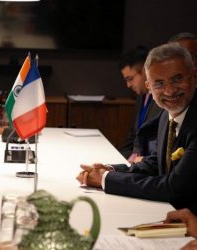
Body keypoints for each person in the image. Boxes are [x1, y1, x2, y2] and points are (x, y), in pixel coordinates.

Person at [76, 43, 197, 215]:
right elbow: (156, 163)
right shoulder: (167, 114)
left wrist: (105, 179)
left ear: (194, 76)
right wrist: (111, 170)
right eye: (159, 83)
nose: (169, 91)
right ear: (149, 87)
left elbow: (173, 188)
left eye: (177, 79)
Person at [118, 46, 161, 163]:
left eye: (130, 78)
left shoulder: (163, 100)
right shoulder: (140, 98)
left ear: (144, 70)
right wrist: (119, 160)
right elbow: (133, 137)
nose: (128, 85)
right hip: (134, 163)